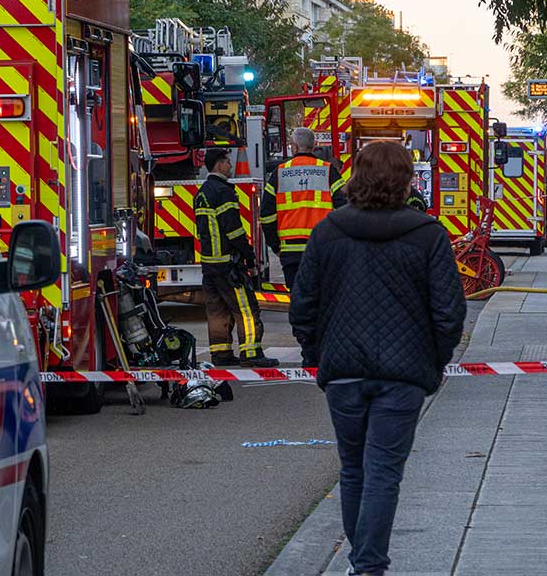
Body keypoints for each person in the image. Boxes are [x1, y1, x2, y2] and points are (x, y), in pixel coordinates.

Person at [289, 141, 466, 576]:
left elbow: (302, 305)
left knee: (353, 470)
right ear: (407, 180)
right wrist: (434, 362)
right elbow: (449, 311)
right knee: (384, 471)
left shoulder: (327, 231)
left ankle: (363, 563)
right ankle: (368, 566)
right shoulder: (428, 234)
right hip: (404, 376)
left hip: (343, 373)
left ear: (356, 177)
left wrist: (317, 356)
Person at [194, 148, 279, 368]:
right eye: (227, 162)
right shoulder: (223, 192)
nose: (230, 166)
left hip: (209, 264)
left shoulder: (202, 193)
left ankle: (221, 353)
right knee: (246, 309)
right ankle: (251, 353)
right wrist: (248, 254)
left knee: (217, 310)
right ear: (218, 164)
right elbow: (233, 230)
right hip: (227, 263)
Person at [259, 127, 347, 289]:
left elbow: (266, 215)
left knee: (298, 297)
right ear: (314, 146)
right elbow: (345, 209)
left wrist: (275, 246)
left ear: (294, 146)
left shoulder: (280, 173)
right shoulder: (328, 171)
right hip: (322, 248)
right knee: (323, 297)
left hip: (291, 252)